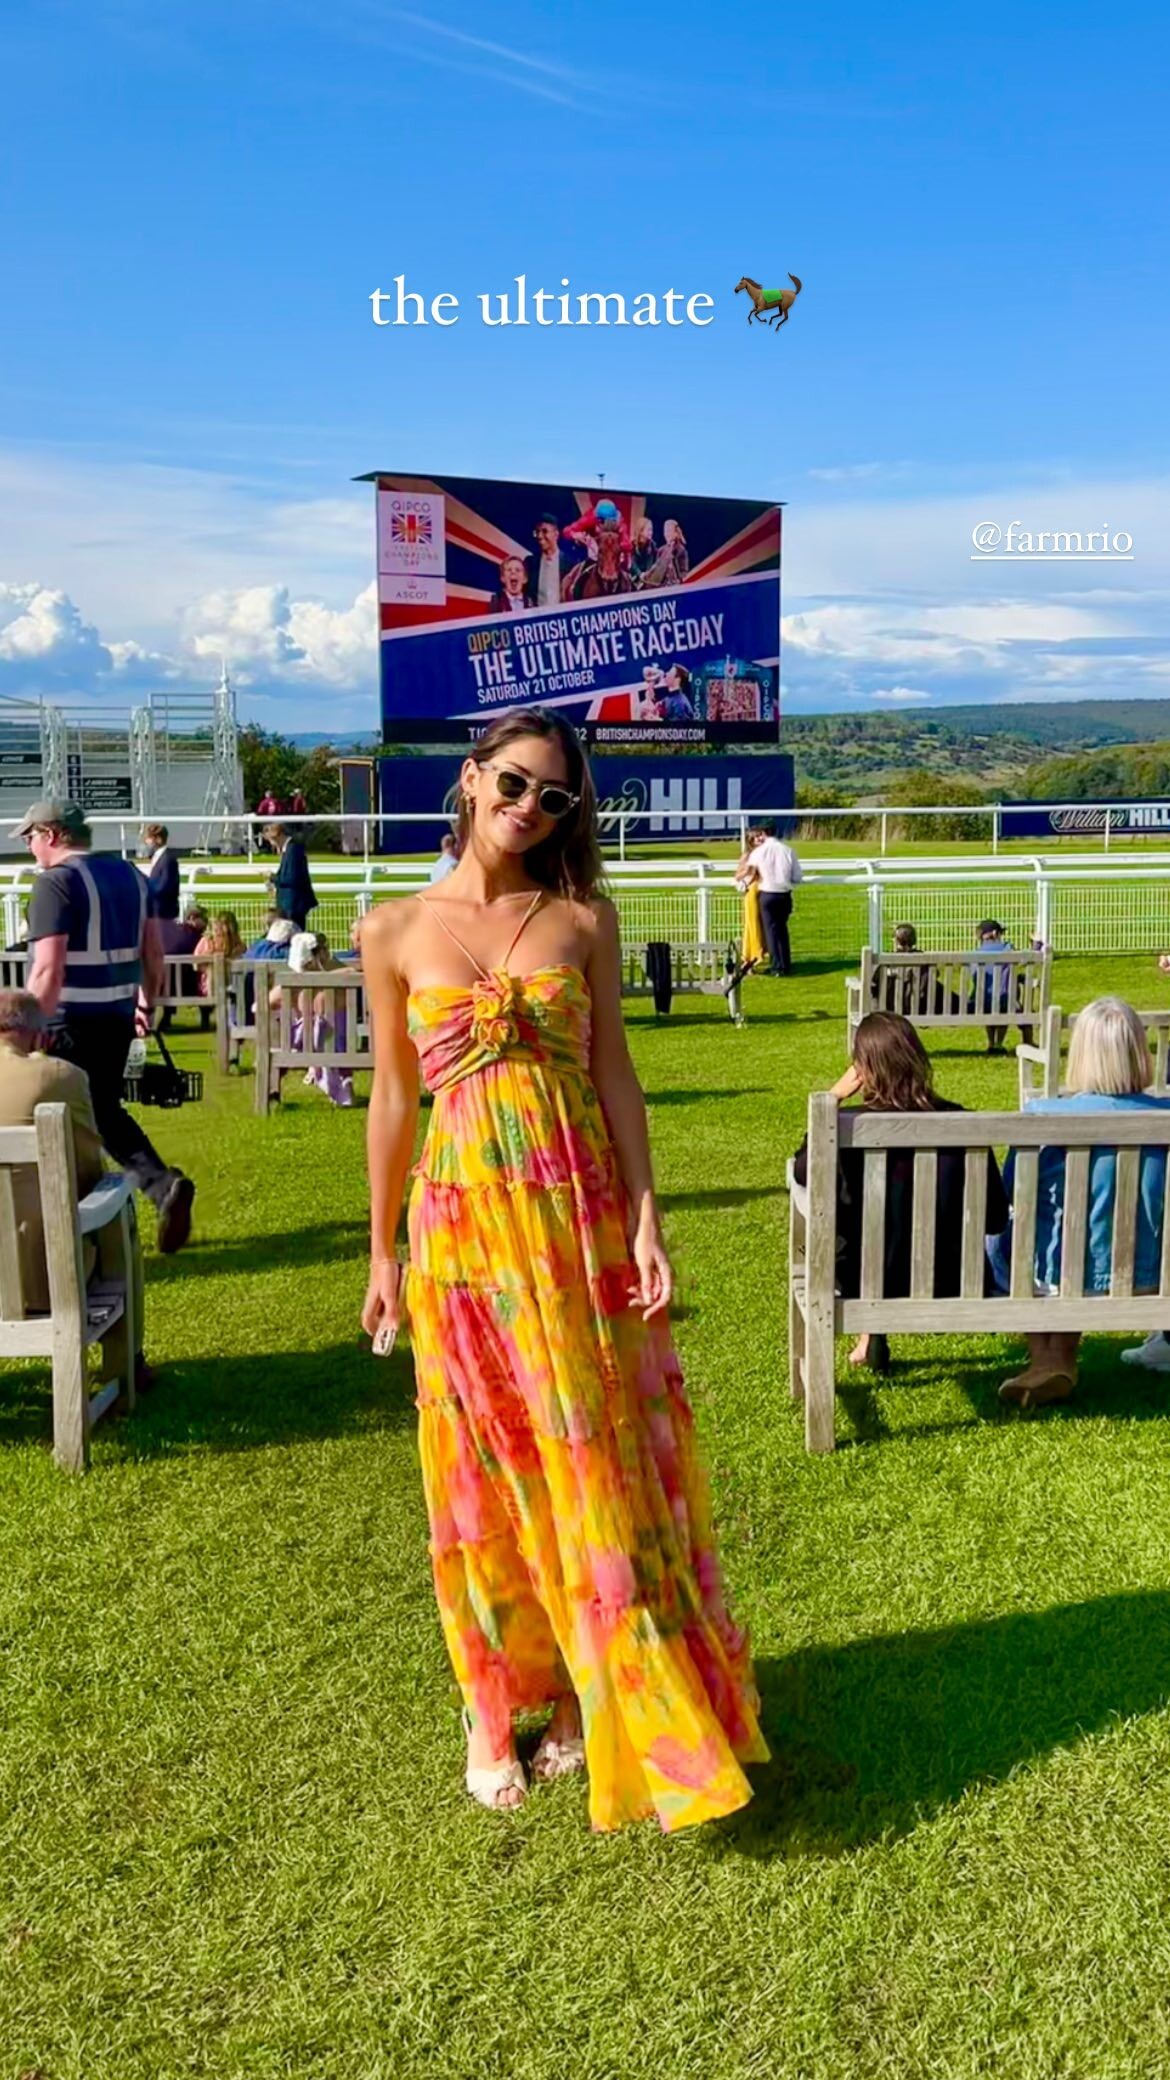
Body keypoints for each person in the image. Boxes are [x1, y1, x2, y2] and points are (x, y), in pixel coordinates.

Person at [360, 706, 767, 1829]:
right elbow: (393, 1099)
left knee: (587, 1452)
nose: (530, 807)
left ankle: (593, 1692)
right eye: (514, 783)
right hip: (461, 1233)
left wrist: (647, 1215)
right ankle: (490, 1705)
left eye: (554, 796)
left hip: (576, 1223)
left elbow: (616, 1076)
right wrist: (381, 1249)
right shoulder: (392, 929)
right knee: (480, 1464)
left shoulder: (583, 919)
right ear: (471, 777)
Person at [15, 799, 194, 1254]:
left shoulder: (55, 883)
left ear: (51, 834)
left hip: (64, 1022)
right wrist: (146, 1005)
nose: (30, 847)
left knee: (51, 1119)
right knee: (102, 1112)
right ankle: (159, 1187)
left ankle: (63, 1222)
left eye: (31, 837)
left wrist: (29, 1026)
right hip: (116, 1016)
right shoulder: (131, 876)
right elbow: (153, 953)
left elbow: (48, 969)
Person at [793, 1012, 1010, 1372]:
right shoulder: (962, 1123)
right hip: (952, 1279)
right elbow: (996, 1218)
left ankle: (871, 1332)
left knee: (867, 1236)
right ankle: (870, 1338)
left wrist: (831, 1100)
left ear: (862, 1070)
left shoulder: (847, 1129)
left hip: (866, 1283)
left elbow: (803, 1172)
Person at [990, 997, 1170, 1407]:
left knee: (1020, 1239)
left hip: (1058, 1276)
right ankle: (1055, 1364)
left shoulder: (1042, 1116)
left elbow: (1013, 1193)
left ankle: (1050, 1360)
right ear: (1138, 1052)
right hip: (1154, 1276)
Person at [0, 988, 151, 1387]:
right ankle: (129, 1361)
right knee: (118, 1206)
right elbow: (89, 1171)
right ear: (38, 1035)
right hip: (43, 1282)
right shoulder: (62, 1077)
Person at [281, 929, 354, 1107]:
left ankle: (321, 1072)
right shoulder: (334, 971)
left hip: (312, 1045)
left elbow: (265, 1002)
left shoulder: (301, 981)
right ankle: (342, 1085)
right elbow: (352, 971)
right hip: (335, 1044)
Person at [742, 820, 802, 976]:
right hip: (785, 894)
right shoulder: (788, 850)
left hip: (767, 894)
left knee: (771, 931)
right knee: (782, 930)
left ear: (763, 833)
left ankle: (777, 967)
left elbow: (749, 872)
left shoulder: (758, 852)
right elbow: (797, 877)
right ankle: (785, 964)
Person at [561, 515, 629, 601]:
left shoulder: (622, 526)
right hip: (593, 558)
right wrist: (577, 535)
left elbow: (628, 546)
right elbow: (567, 531)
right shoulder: (589, 520)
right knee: (573, 578)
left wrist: (623, 547)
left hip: (616, 559)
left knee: (629, 580)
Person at [263, 823, 317, 931]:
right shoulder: (289, 849)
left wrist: (272, 877)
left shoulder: (293, 849)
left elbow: (292, 878)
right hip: (291, 903)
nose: (271, 844)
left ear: (277, 836)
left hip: (293, 905)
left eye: (270, 840)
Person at [735, 827, 767, 968]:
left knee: (761, 924)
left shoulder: (766, 853)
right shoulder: (747, 856)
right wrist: (748, 870)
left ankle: (752, 956)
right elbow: (737, 876)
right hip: (752, 893)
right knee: (752, 924)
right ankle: (753, 955)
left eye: (760, 836)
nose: (760, 838)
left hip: (764, 891)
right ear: (751, 840)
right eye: (756, 837)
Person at [141, 823, 181, 922]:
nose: (146, 842)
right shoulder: (158, 857)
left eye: (149, 838)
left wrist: (145, 891)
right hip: (156, 912)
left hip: (163, 913)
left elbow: (164, 886)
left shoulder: (167, 859)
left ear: (158, 839)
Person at [531, 514, 573, 609]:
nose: (539, 536)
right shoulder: (531, 563)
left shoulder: (570, 563)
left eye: (544, 531)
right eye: (537, 532)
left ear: (556, 534)